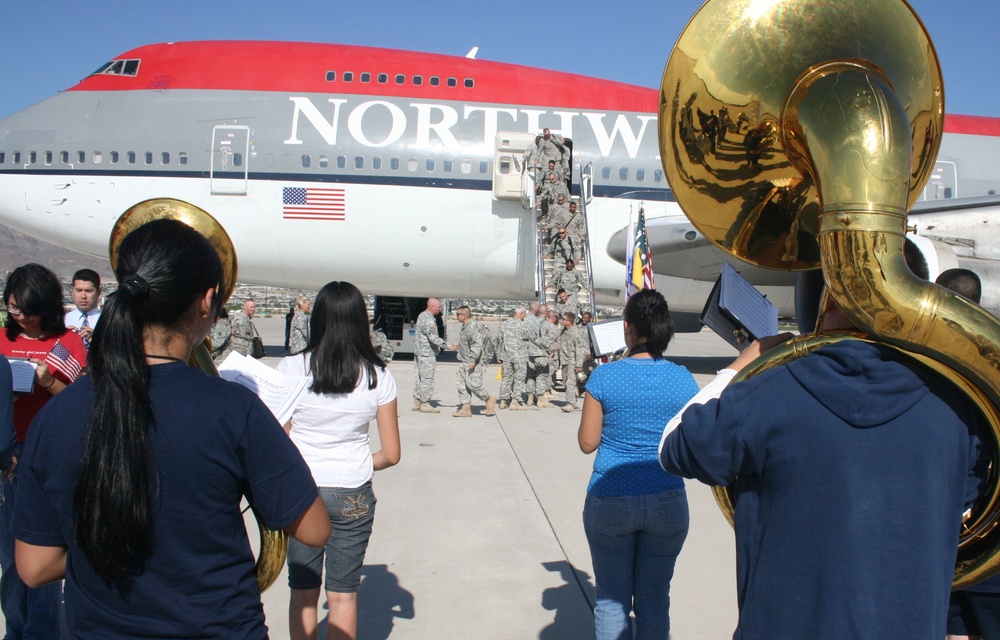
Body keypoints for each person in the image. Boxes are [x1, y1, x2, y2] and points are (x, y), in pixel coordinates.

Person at [12, 220, 329, 639]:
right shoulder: (232, 409)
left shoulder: (56, 416)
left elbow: (34, 568)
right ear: (206, 302)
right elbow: (314, 528)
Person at [658, 294, 988, 639]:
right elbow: (964, 505)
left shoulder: (769, 391)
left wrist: (741, 365)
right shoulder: (958, 411)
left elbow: (672, 445)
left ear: (827, 303)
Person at [277, 281, 401, 640]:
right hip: (352, 491)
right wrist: (360, 462)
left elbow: (279, 439)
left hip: (302, 490)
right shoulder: (378, 375)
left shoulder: (291, 369)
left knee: (303, 592)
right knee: (343, 595)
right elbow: (391, 454)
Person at [577, 289, 699, 640]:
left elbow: (588, 443)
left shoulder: (605, 377)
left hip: (612, 496)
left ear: (627, 328)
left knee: (612, 601)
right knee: (655, 598)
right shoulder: (683, 378)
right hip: (667, 496)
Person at [0, 263, 89, 640]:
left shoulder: (66, 343)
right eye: (12, 308)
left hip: (45, 452)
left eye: (28, 311)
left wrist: (47, 380)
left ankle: (42, 631)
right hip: (5, 452)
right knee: (9, 553)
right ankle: (17, 626)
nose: (19, 317)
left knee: (42, 547)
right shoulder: (2, 339)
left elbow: (81, 403)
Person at [412, 298, 456, 413]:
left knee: (419, 377)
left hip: (419, 352)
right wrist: (448, 346)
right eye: (439, 307)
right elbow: (433, 338)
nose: (440, 309)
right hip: (427, 354)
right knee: (427, 378)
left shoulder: (421, 315)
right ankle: (425, 403)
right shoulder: (429, 320)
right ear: (432, 306)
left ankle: (417, 401)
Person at [453, 305, 497, 417]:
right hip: (464, 360)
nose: (456, 316)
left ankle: (488, 398)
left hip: (472, 361)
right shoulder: (466, 326)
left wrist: (472, 360)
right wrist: (460, 347)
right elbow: (469, 342)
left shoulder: (472, 327)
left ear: (465, 315)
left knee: (473, 384)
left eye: (458, 314)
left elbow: (477, 345)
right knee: (462, 385)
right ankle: (466, 408)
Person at [497, 306, 530, 410]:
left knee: (506, 378)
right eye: (524, 314)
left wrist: (499, 355)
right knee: (519, 379)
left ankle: (502, 401)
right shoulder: (525, 325)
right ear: (521, 314)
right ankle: (514, 401)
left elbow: (499, 341)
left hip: (506, 356)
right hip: (520, 357)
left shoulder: (504, 324)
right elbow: (533, 339)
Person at [556, 311, 588, 413]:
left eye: (564, 319)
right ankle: (573, 401)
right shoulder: (564, 331)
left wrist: (578, 365)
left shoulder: (575, 333)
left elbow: (580, 349)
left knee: (570, 382)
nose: (562, 320)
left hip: (572, 362)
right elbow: (559, 344)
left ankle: (570, 403)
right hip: (565, 361)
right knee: (565, 381)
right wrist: (550, 350)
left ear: (569, 321)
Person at [64, 268, 102, 349]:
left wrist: (97, 341)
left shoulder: (108, 322)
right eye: (78, 290)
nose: (83, 296)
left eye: (88, 291)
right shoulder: (63, 321)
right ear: (72, 290)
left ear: (98, 292)